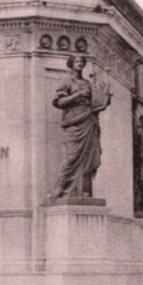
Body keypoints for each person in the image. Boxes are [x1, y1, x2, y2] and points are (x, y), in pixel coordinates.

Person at [51, 55, 110, 200]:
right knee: (71, 157)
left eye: (82, 62)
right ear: (71, 64)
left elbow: (98, 104)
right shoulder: (66, 81)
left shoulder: (88, 83)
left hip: (89, 121)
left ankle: (83, 191)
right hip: (74, 122)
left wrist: (105, 95)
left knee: (88, 158)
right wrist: (78, 94)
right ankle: (60, 187)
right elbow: (59, 102)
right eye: (77, 62)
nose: (80, 64)